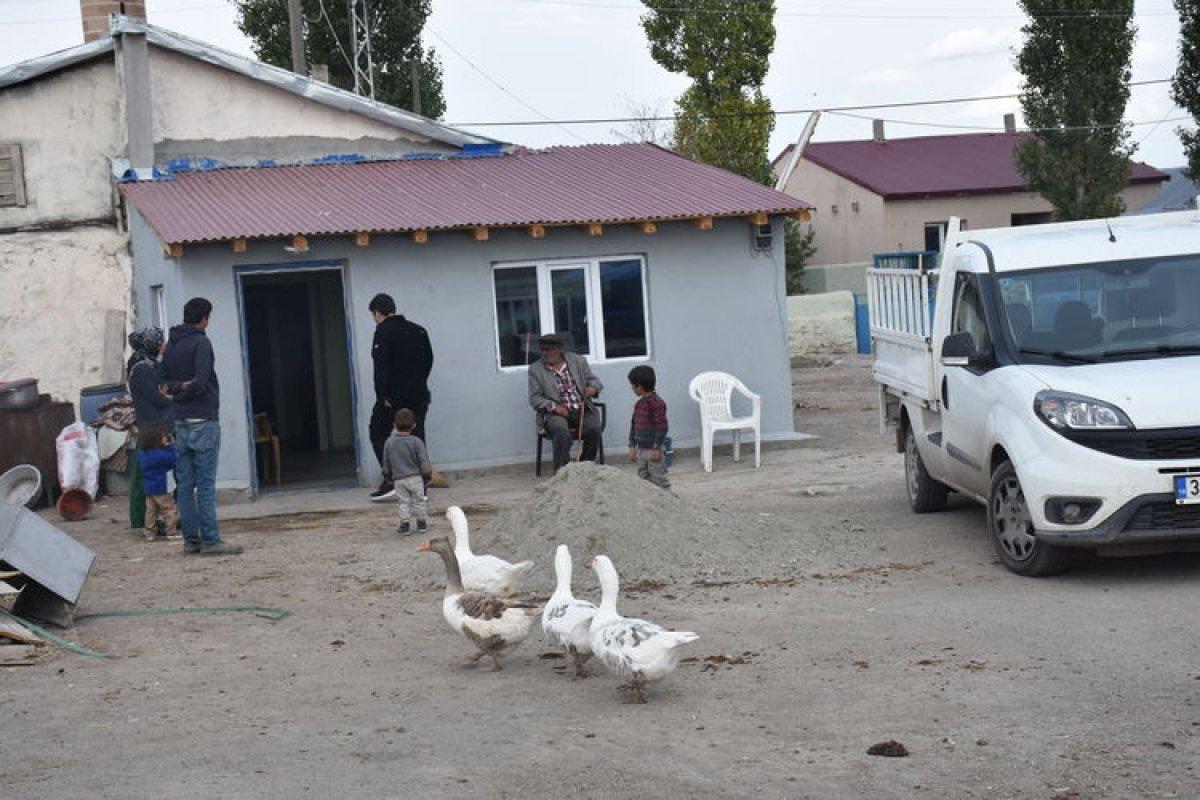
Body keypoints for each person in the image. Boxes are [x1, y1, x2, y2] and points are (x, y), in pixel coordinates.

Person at [162, 297, 243, 557]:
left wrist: (178, 393)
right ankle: (211, 540)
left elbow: (165, 385)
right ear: (204, 318)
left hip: (180, 422)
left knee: (185, 485)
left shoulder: (171, 346)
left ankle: (191, 540)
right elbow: (201, 381)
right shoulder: (201, 342)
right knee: (205, 485)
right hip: (203, 421)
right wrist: (185, 390)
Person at [367, 293, 433, 502]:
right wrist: (417, 384)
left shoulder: (383, 332)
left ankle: (391, 481)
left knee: (377, 432)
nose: (374, 319)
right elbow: (428, 361)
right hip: (419, 396)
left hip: (393, 399)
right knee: (417, 438)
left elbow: (381, 367)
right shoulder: (419, 330)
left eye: (373, 315)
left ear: (378, 312)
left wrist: (382, 395)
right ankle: (420, 487)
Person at [528, 333, 603, 472]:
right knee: (561, 431)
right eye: (543, 350)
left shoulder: (578, 361)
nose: (546, 353)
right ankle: (563, 472)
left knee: (594, 428)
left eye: (550, 350)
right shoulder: (535, 369)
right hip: (556, 414)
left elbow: (595, 381)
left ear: (560, 348)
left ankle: (585, 468)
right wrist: (554, 406)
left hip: (582, 409)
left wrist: (592, 388)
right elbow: (535, 398)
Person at [125, 326, 170, 531]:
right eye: (160, 341)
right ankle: (143, 521)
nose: (163, 344)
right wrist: (170, 397)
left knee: (150, 475)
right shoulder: (142, 369)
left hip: (154, 425)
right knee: (146, 478)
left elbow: (164, 389)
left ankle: (151, 520)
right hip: (150, 428)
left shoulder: (148, 365)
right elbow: (159, 398)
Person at [381, 408, 432, 536]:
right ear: (414, 425)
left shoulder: (389, 442)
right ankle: (421, 524)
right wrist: (427, 475)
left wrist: (387, 476)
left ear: (394, 425)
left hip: (399, 479)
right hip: (416, 478)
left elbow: (385, 461)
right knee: (419, 500)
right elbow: (423, 460)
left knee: (403, 502)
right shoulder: (417, 442)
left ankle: (405, 525)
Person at [627, 365, 670, 490]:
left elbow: (662, 426)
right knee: (642, 479)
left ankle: (667, 501)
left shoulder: (658, 404)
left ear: (639, 386)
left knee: (658, 478)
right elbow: (633, 425)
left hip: (653, 450)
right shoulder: (639, 404)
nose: (631, 389)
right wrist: (631, 446)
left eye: (632, 385)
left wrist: (657, 448)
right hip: (640, 449)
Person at [136, 423, 180, 541]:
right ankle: (171, 532)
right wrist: (171, 446)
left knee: (151, 511)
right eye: (164, 436)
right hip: (162, 487)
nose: (166, 437)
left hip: (149, 488)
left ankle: (150, 532)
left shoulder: (142, 454)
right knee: (168, 509)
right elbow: (174, 460)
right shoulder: (162, 455)